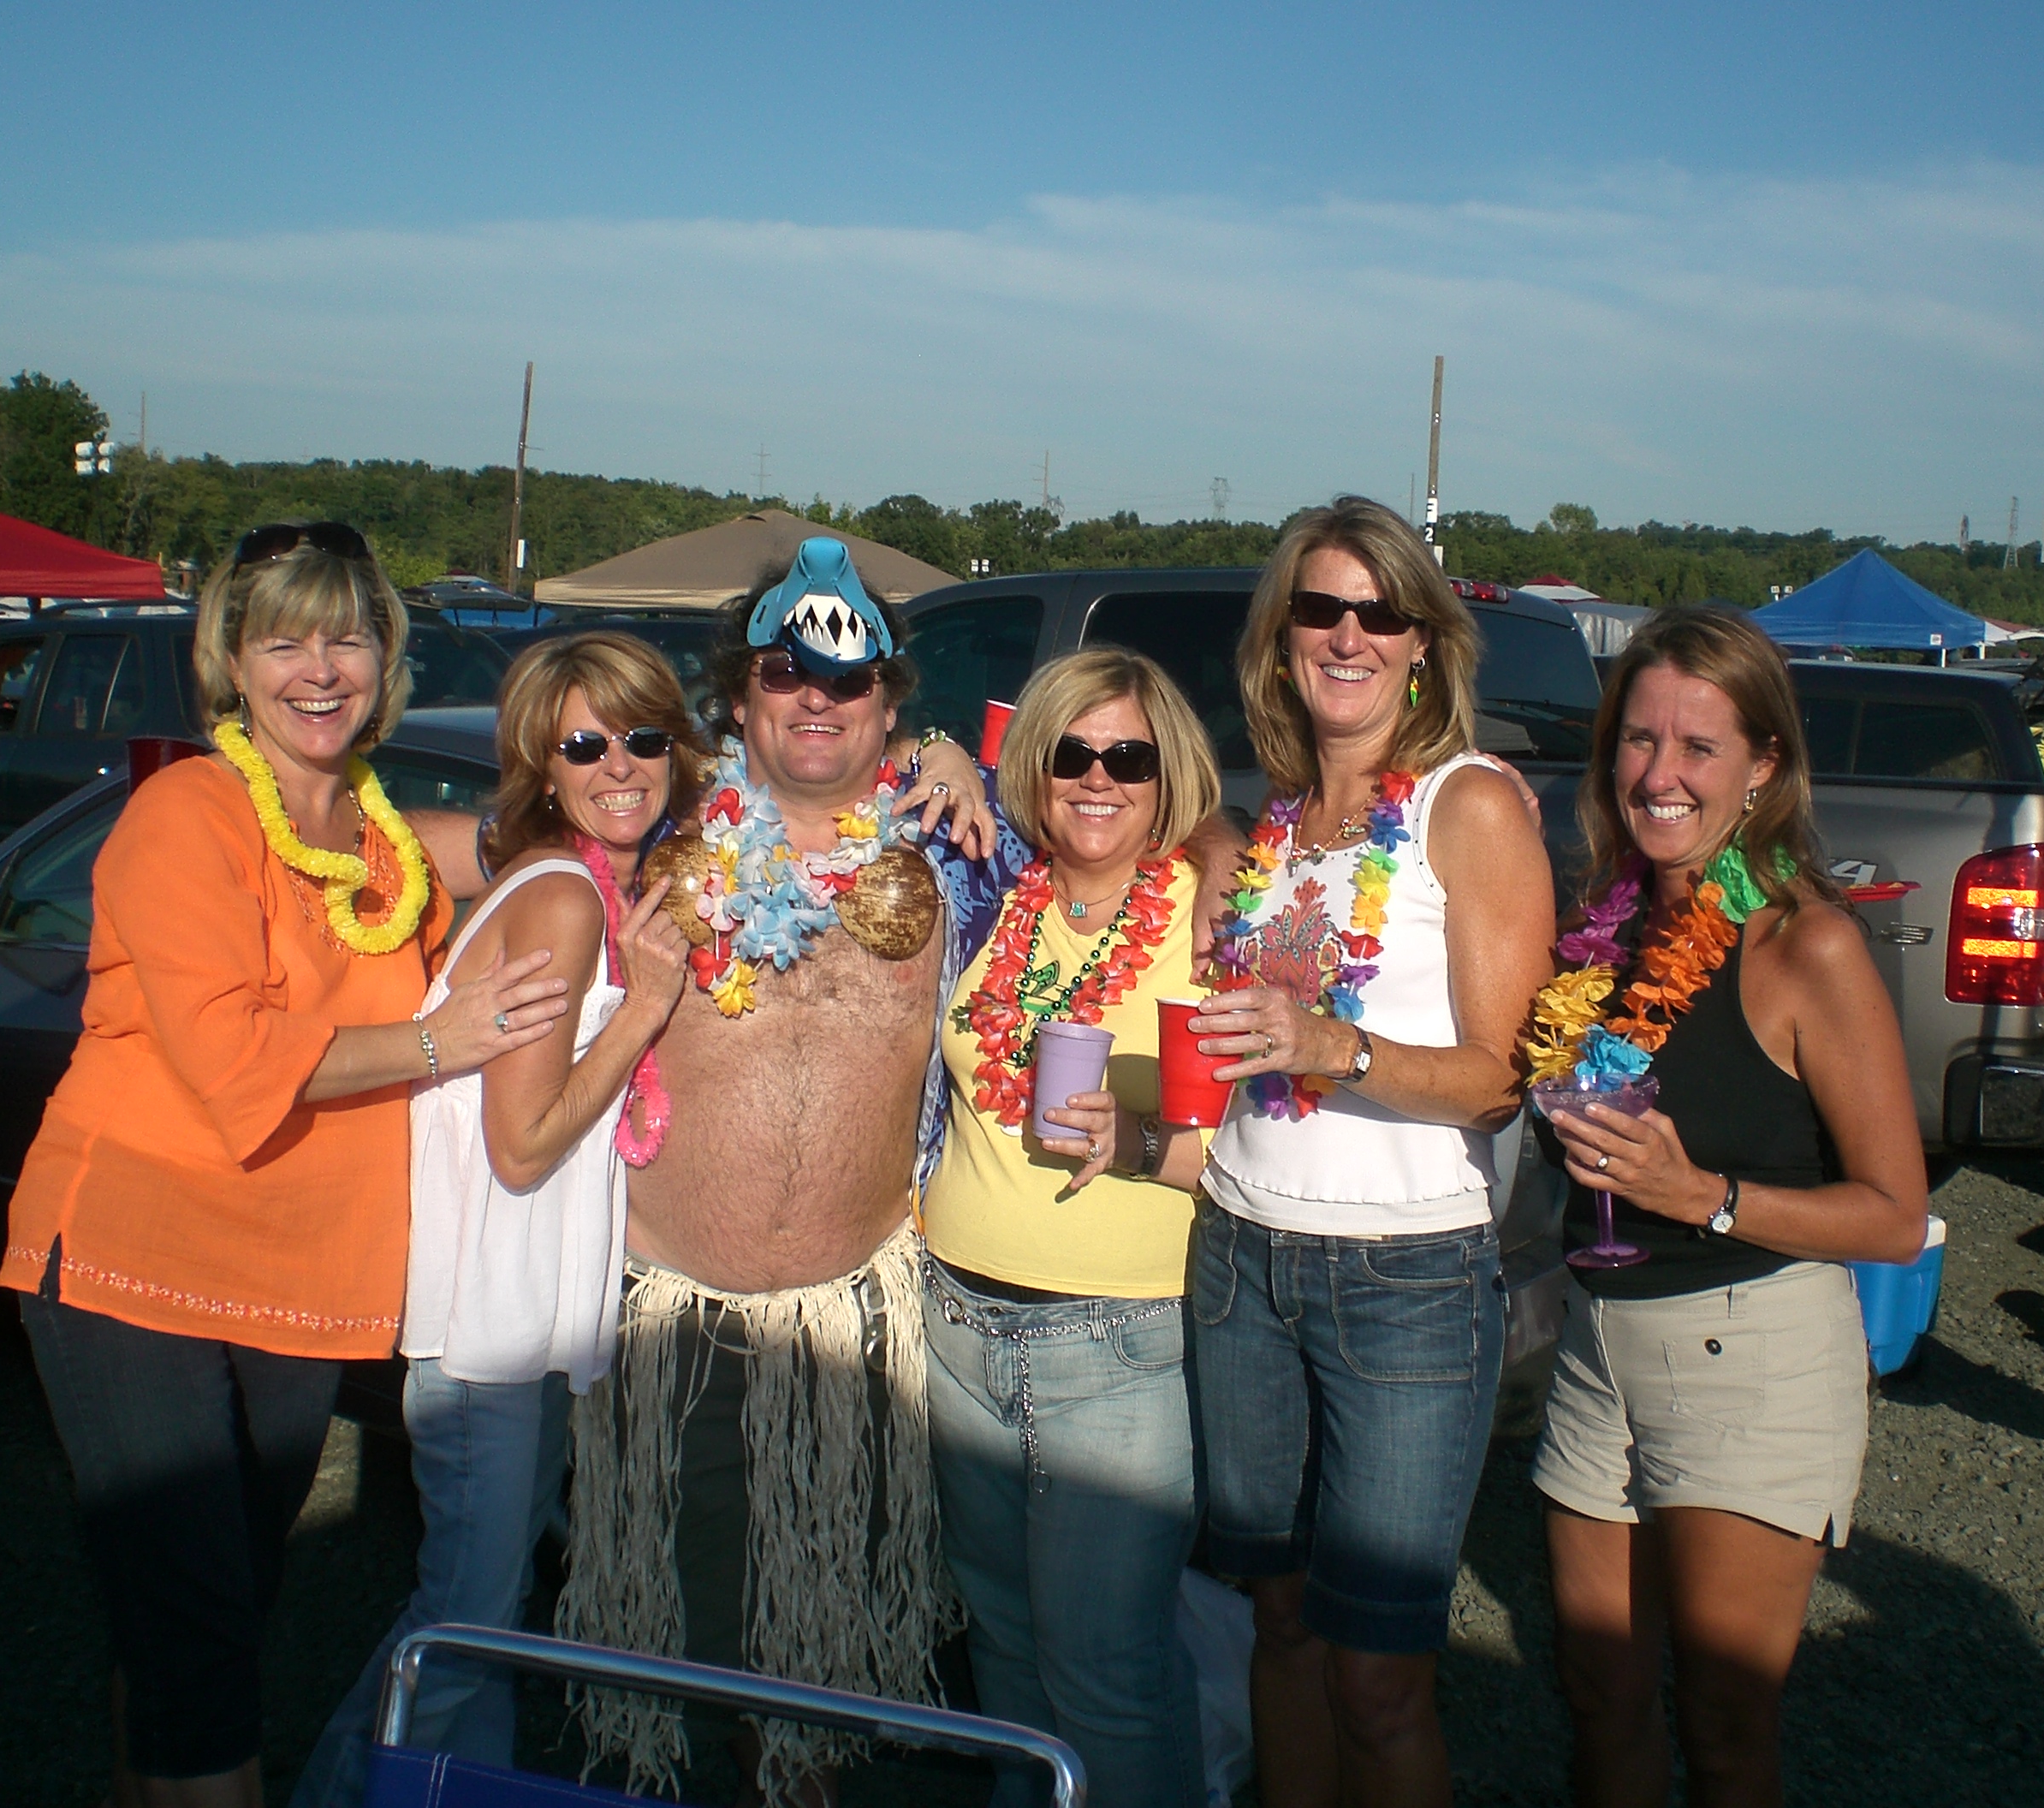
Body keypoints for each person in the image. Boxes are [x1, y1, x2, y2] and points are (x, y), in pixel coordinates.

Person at [0, 520, 567, 1808]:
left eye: (347, 639)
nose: (320, 669)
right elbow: (232, 1053)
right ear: (232, 663)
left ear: (386, 660)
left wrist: (907, 763)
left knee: (206, 1619)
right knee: (198, 1633)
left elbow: (505, 842)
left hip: (297, 1282)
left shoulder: (378, 839)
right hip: (136, 1263)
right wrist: (444, 1040)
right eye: (284, 642)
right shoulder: (183, 815)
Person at [555, 537, 1010, 1807]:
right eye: (784, 673)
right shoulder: (649, 843)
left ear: (890, 703)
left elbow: (1160, 842)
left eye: (850, 680)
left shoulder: (965, 853)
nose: (819, 698)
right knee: (687, 1656)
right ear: (738, 694)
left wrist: (958, 760)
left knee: (813, 1683)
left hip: (862, 1330)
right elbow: (489, 832)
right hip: (673, 1328)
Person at [291, 633, 709, 1805]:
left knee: (489, 1617)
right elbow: (521, 1147)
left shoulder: (581, 886)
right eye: (583, 743)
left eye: (644, 737)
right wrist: (646, 1010)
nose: (619, 765)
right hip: (488, 1331)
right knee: (460, 1627)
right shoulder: (563, 899)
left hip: (522, 1327)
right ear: (541, 764)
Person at [1186, 496, 1556, 1808]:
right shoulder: (1277, 823)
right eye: (1320, 609)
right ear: (1281, 636)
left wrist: (1330, 1045)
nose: (1348, 635)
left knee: (1380, 1678)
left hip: (1404, 1281)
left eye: (1379, 612)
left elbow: (1502, 1081)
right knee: (1280, 1627)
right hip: (1240, 1257)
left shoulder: (1471, 806)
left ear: (1422, 642)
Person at [1525, 604, 1926, 1808]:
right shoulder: (1604, 929)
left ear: (1763, 766)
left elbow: (1894, 1216)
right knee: (1596, 1693)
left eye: (1700, 747)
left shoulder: (1806, 946)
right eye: (1639, 739)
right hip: (1595, 1349)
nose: (1661, 774)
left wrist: (1699, 1195)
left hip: (1749, 1355)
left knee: (1725, 1723)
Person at [920, 647, 1224, 1808]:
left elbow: (1267, 1154)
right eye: (1071, 753)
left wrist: (1139, 1143)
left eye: (1129, 758)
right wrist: (935, 746)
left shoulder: (1212, 917)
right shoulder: (996, 890)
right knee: (1002, 1650)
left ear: (1168, 775)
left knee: (1107, 1672)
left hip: (1118, 1347)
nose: (1099, 779)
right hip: (956, 1322)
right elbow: (857, 751)